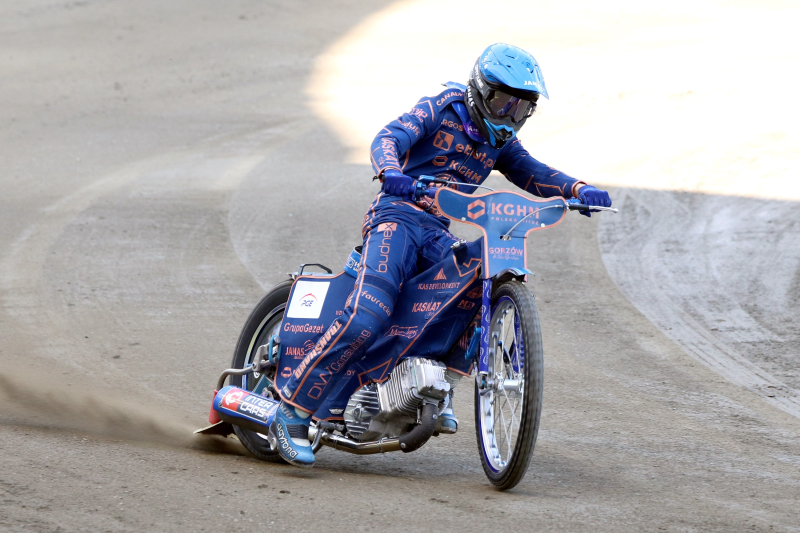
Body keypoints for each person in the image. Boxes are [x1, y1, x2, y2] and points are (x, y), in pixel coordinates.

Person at [269, 43, 612, 467]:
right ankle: (292, 411)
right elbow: (388, 138)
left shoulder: (500, 142)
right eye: (504, 102)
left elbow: (533, 172)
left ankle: (436, 384)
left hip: (436, 232)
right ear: (481, 92)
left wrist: (577, 190)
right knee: (368, 313)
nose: (510, 117)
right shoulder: (441, 107)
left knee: (475, 276)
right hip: (396, 216)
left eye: (522, 109)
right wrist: (391, 173)